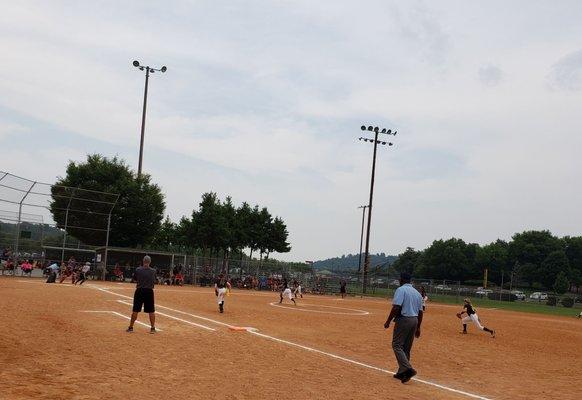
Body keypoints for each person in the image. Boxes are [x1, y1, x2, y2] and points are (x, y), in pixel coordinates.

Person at [384, 272, 423, 384]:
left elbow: (396, 307)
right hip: (414, 320)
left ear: (401, 280)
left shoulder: (401, 290)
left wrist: (388, 321)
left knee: (397, 345)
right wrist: (418, 327)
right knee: (406, 347)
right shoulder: (417, 293)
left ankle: (408, 369)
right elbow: (420, 312)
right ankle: (402, 373)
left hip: (404, 319)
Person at [127, 256, 157, 334]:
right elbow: (154, 280)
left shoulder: (138, 270)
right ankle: (152, 328)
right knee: (151, 311)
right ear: (150, 262)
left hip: (139, 290)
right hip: (149, 291)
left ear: (143, 261)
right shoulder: (153, 271)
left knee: (135, 310)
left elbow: (134, 279)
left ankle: (131, 327)